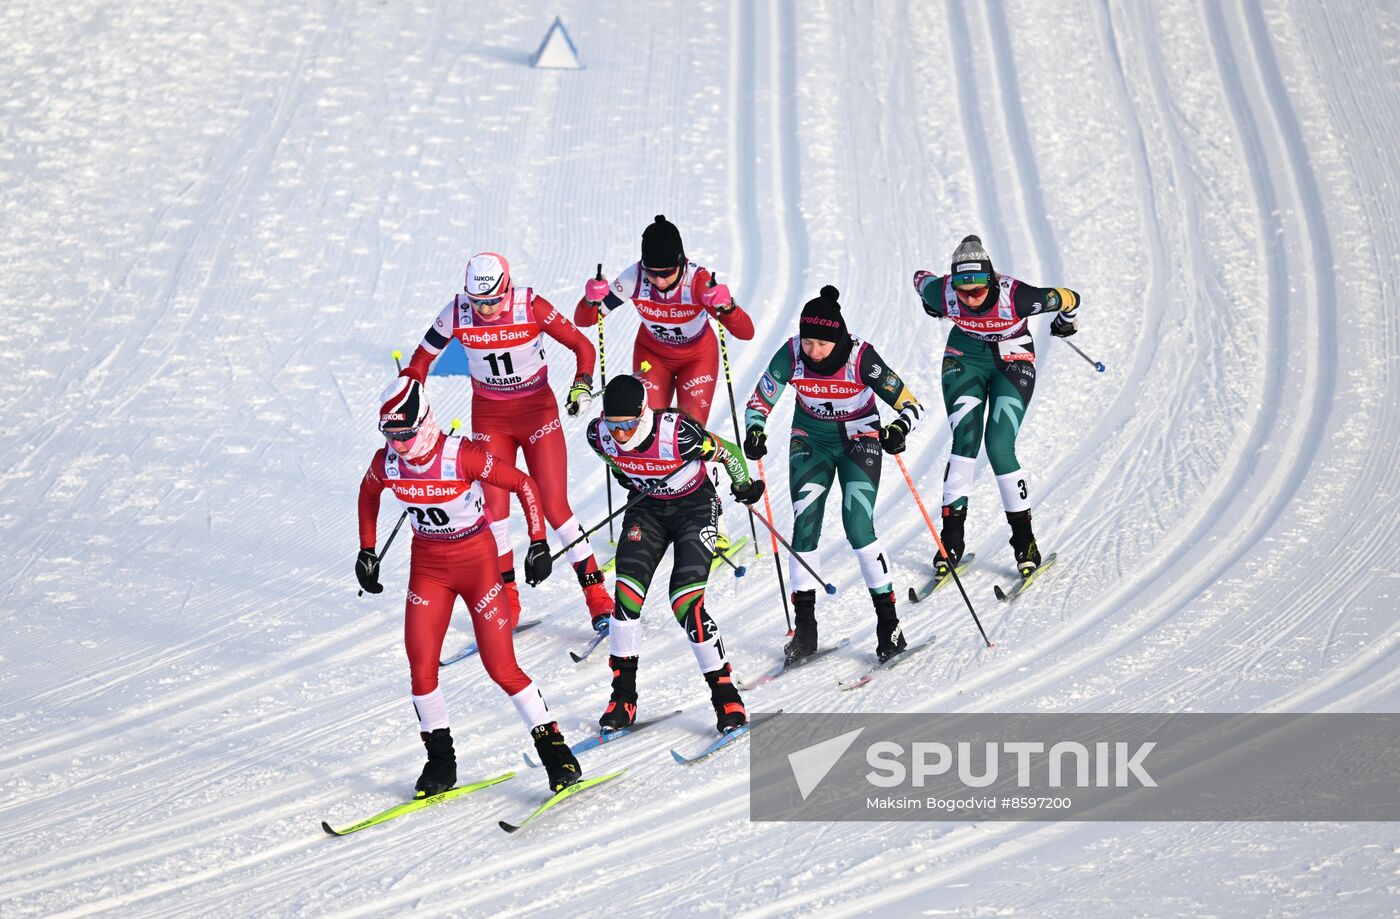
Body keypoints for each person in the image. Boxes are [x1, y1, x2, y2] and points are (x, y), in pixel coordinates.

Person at [355, 376, 581, 795]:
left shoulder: (462, 455)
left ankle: (556, 753)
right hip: (428, 567)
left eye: (404, 434)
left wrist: (537, 542)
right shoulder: (386, 461)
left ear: (423, 422)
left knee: (501, 667)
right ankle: (441, 763)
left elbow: (524, 485)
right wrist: (367, 550)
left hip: (477, 564)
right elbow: (368, 494)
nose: (398, 445)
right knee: (421, 669)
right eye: (390, 435)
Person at [402, 251, 612, 632]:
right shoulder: (455, 312)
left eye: (493, 300)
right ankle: (508, 600)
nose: (484, 309)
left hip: (537, 414)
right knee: (494, 511)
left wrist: (582, 384)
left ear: (507, 288)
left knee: (554, 507)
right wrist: (408, 392)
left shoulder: (531, 305)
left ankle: (597, 596)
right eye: (477, 301)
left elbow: (583, 347)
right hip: (491, 418)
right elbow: (421, 359)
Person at [743, 285, 925, 664]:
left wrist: (899, 428)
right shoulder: (791, 353)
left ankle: (888, 624)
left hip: (859, 439)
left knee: (858, 524)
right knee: (805, 523)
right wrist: (755, 429)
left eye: (822, 344)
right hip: (811, 439)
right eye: (809, 342)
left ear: (838, 338)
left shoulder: (861, 357)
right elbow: (759, 400)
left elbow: (910, 403)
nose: (813, 351)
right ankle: (805, 628)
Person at [584, 375, 766, 734]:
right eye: (613, 425)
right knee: (626, 599)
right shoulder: (597, 434)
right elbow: (611, 457)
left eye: (628, 426)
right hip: (647, 511)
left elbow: (727, 451)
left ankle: (726, 696)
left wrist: (743, 486)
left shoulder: (678, 433)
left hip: (694, 509)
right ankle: (623, 698)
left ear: (643, 413)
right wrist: (630, 477)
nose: (619, 434)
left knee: (685, 602)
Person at [575, 215, 755, 553]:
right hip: (651, 357)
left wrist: (727, 307)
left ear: (681, 262)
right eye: (652, 273)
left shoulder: (698, 282)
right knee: (646, 433)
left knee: (689, 436)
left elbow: (746, 332)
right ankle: (652, 516)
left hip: (696, 358)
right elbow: (586, 319)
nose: (658, 281)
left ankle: (714, 521)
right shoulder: (634, 278)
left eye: (666, 274)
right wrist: (590, 299)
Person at [911, 234, 1082, 579]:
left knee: (1000, 446)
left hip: (1012, 360)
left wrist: (1066, 322)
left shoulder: (1018, 296)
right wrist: (930, 304)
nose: (971, 299)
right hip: (964, 359)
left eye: (978, 290)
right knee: (965, 441)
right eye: (963, 291)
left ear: (991, 280)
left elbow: (1070, 298)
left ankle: (1026, 543)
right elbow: (920, 279)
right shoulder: (942, 291)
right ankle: (950, 542)